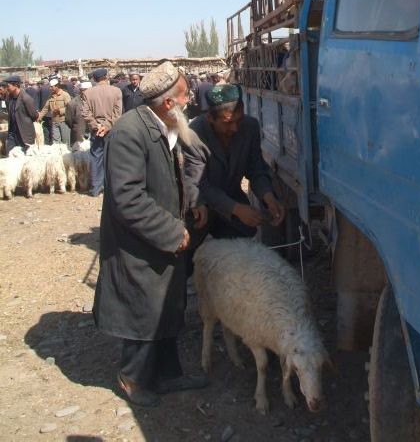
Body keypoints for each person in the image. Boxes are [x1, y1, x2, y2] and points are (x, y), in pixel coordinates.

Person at [93, 60, 209, 407]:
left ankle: (169, 374)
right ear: (168, 102)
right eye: (186, 95)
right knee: (143, 308)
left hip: (161, 237)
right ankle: (133, 379)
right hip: (138, 242)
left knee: (167, 304)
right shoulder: (129, 132)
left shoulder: (161, 125)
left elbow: (171, 179)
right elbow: (127, 198)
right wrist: (173, 231)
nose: (190, 101)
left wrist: (190, 207)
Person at [183, 84, 285, 239]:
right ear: (210, 117)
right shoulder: (193, 135)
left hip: (232, 197)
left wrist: (268, 196)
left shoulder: (250, 127)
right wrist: (237, 209)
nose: (235, 128)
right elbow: (200, 184)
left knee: (242, 246)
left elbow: (256, 168)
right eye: (227, 123)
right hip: (201, 205)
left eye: (239, 120)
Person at [80, 67, 123, 197]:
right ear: (106, 76)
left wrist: (96, 126)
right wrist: (107, 126)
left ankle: (95, 189)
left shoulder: (88, 93)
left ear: (94, 79)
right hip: (112, 130)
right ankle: (113, 188)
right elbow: (117, 113)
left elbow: (85, 113)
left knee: (96, 158)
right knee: (113, 159)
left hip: (96, 131)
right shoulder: (116, 91)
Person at [5, 74, 39, 153]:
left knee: (25, 158)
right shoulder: (9, 98)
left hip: (25, 134)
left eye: (8, 86)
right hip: (12, 133)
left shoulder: (26, 98)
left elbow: (34, 115)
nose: (7, 88)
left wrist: (24, 121)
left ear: (16, 85)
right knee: (10, 156)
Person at [37, 76, 71, 145]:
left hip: (64, 121)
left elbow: (70, 108)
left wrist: (60, 110)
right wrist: (39, 117)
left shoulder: (65, 95)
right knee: (56, 142)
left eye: (52, 87)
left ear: (57, 86)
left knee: (66, 142)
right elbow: (45, 108)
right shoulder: (51, 96)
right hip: (54, 122)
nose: (50, 88)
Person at [65, 80, 92, 145]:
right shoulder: (72, 103)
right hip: (78, 136)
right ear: (81, 91)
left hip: (93, 135)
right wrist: (77, 127)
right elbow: (69, 120)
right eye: (85, 90)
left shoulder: (96, 101)